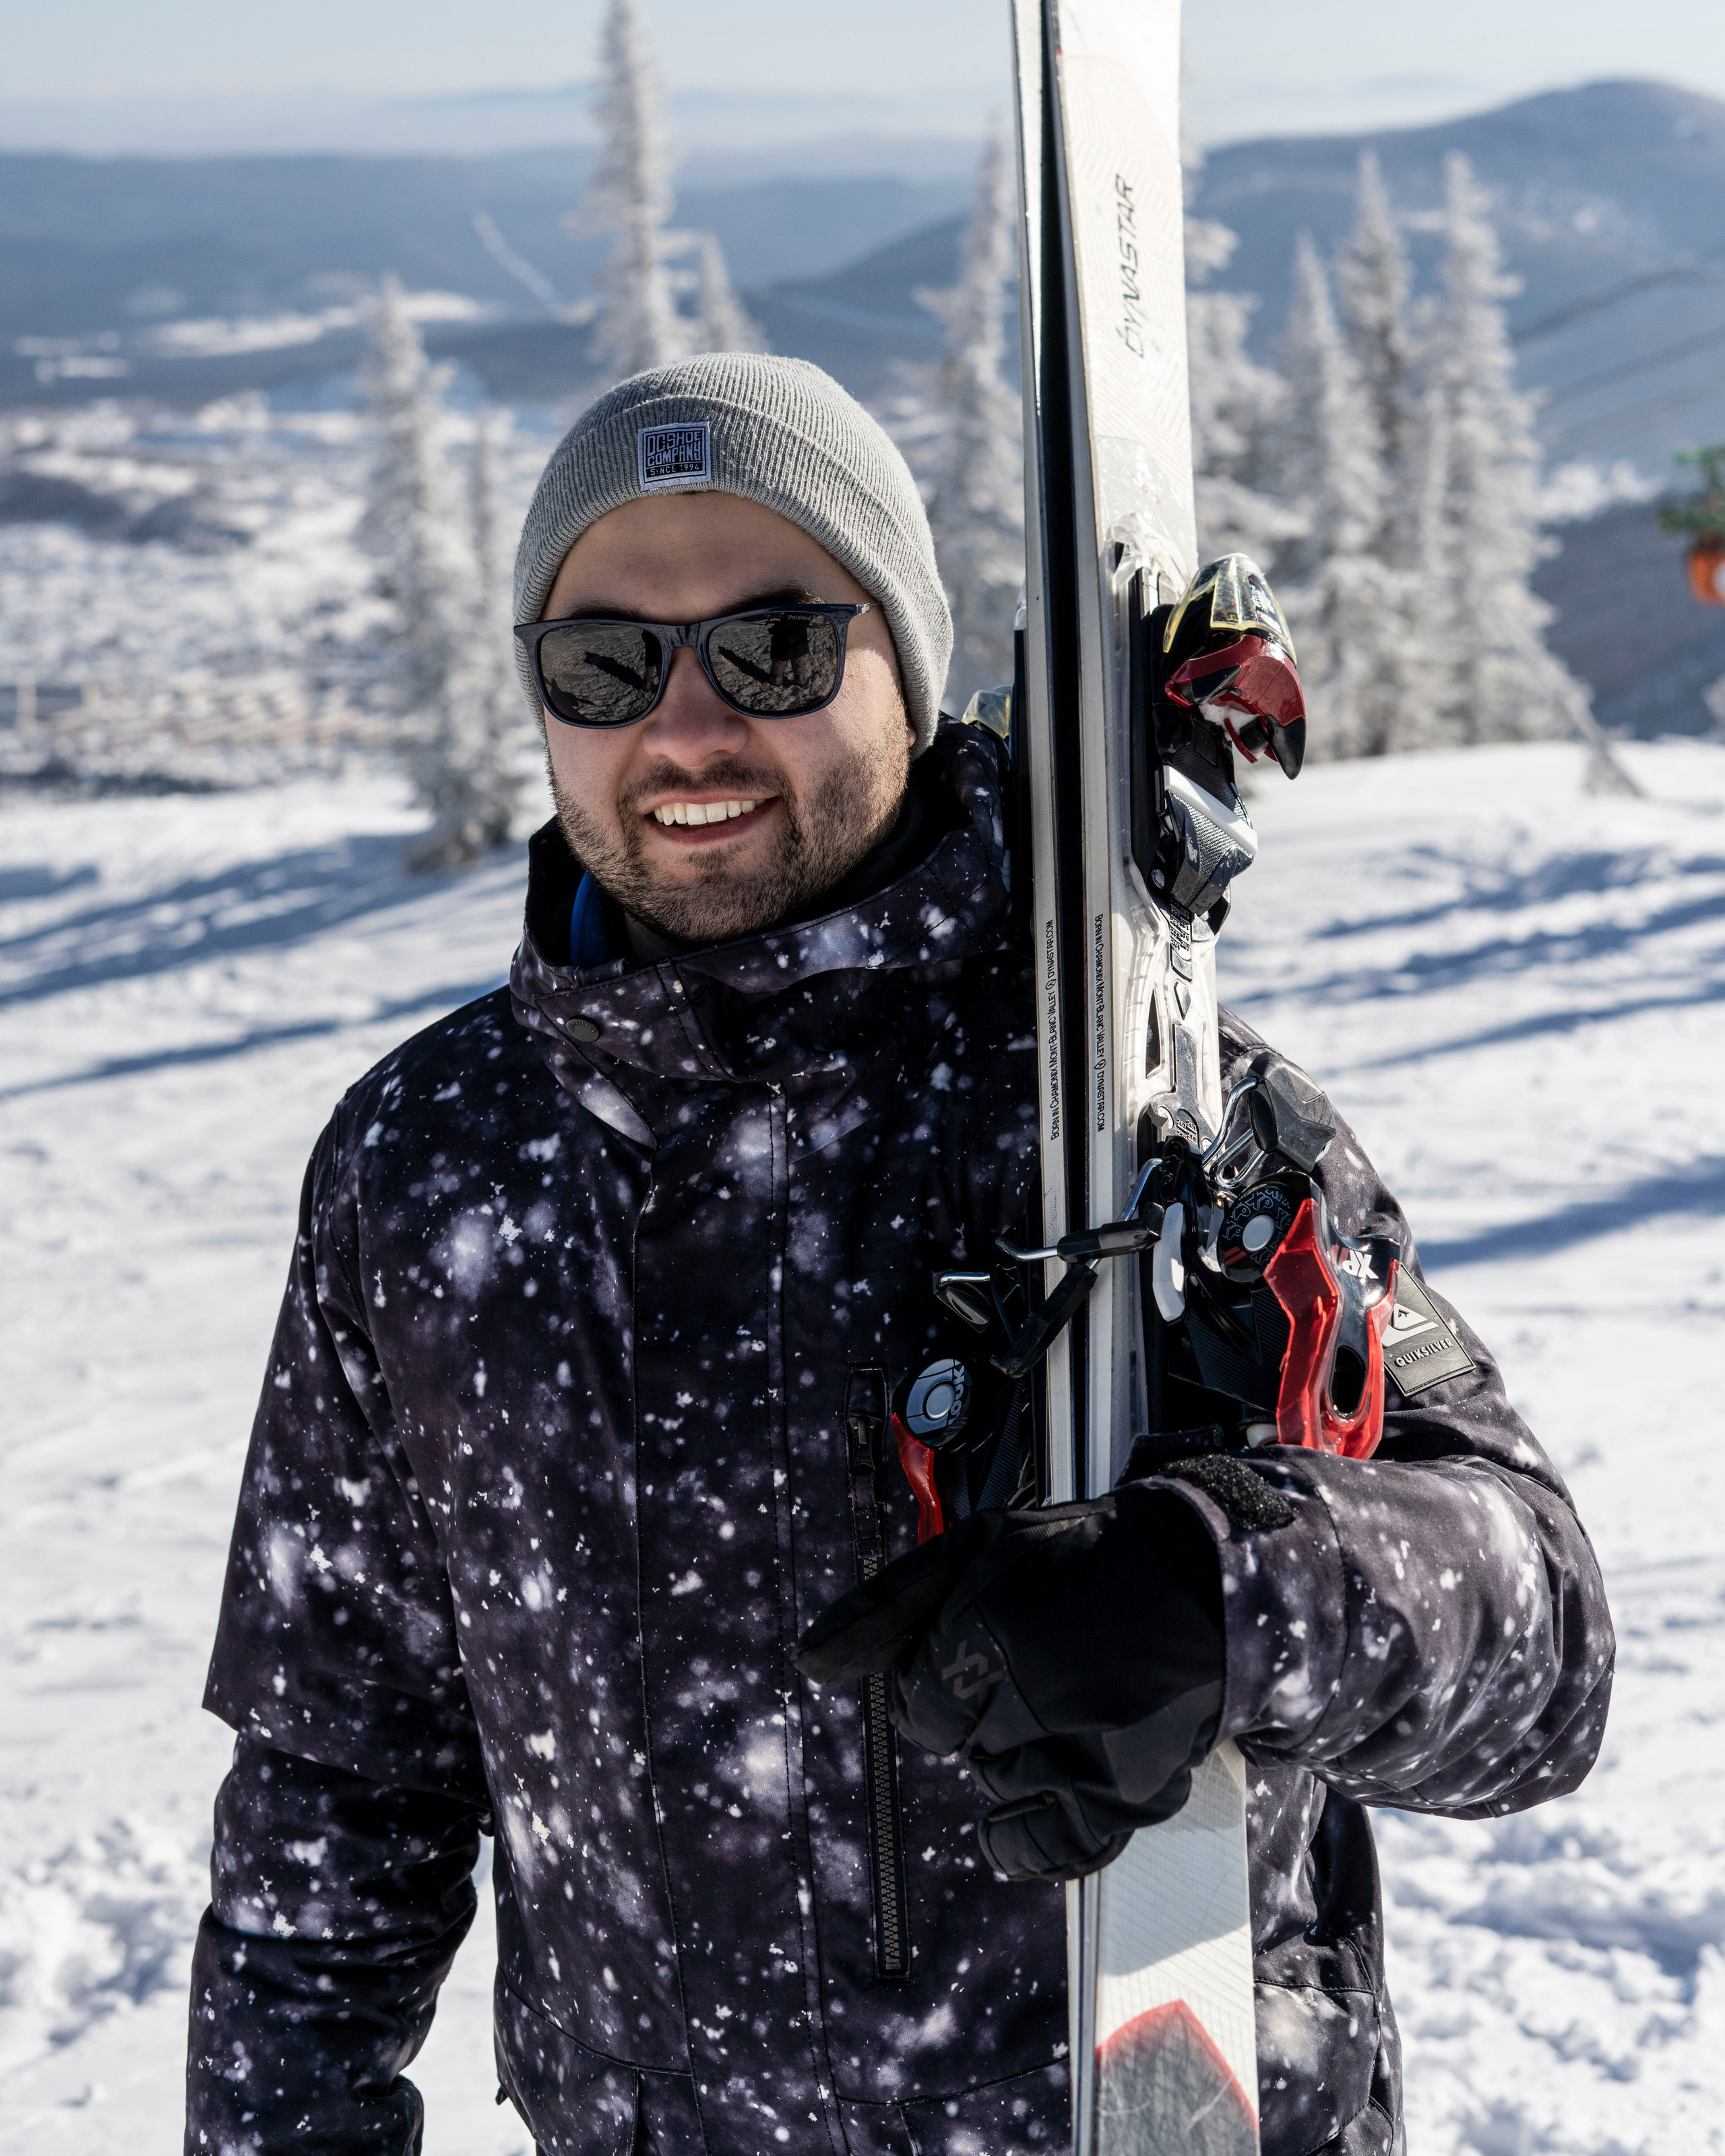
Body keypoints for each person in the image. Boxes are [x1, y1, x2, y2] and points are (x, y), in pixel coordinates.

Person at [185, 353, 1612, 2156]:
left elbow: (1548, 1654)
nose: (687, 732)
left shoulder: (1147, 1110)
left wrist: (1221, 1591)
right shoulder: (429, 1169)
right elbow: (340, 1778)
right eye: (605, 664)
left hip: (1156, 2111)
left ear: (911, 668)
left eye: (777, 652)